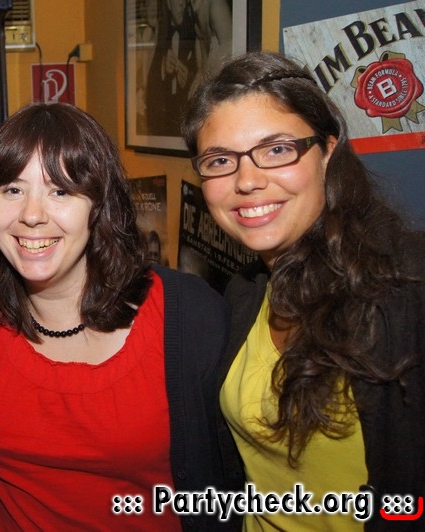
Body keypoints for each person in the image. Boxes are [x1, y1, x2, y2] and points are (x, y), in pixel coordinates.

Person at [181, 51, 425, 530]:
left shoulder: (406, 287)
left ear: (328, 152)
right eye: (221, 160)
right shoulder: (245, 293)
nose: (247, 181)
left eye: (276, 150)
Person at [0, 102, 235, 530]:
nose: (31, 215)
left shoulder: (189, 316)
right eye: (12, 190)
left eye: (60, 191)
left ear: (99, 206)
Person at [145, 0, 199, 137]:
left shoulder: (194, 34)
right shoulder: (160, 34)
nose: (182, 4)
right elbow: (150, 83)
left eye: (184, 1)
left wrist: (188, 78)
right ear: (168, 4)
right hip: (162, 120)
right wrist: (163, 68)